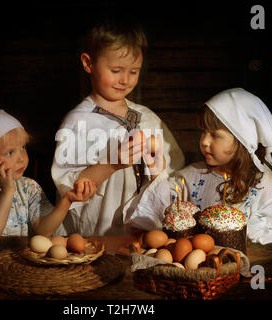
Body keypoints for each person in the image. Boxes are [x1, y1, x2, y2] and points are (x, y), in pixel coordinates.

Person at [51, 19, 185, 236]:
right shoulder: (78, 121)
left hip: (144, 232)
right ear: (88, 63)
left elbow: (173, 174)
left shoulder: (148, 117)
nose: (125, 80)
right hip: (98, 232)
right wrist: (112, 164)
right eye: (116, 70)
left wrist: (156, 165)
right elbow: (68, 187)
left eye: (134, 71)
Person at [125, 88, 272, 244]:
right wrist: (157, 172)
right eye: (203, 132)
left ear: (243, 140)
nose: (204, 141)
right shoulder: (192, 175)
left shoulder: (261, 181)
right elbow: (162, 212)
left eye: (215, 135)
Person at [0, 109, 96, 244]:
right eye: (9, 152)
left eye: (23, 148)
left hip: (20, 266)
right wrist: (8, 192)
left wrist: (67, 199)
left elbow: (43, 230)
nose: (21, 158)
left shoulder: (29, 187)